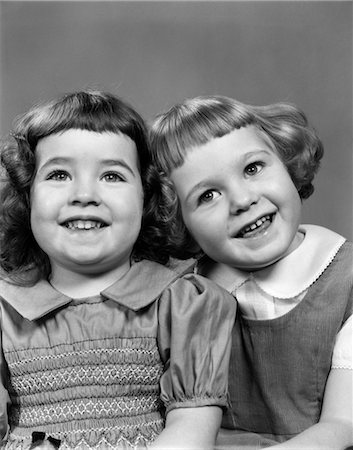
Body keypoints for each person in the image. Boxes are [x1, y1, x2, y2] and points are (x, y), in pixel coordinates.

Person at [0, 90, 236, 450]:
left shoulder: (180, 303)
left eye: (111, 176)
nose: (84, 194)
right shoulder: (7, 309)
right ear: (27, 195)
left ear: (147, 197)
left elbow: (193, 426)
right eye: (59, 174)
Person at [149, 95, 353, 449]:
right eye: (208, 195)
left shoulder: (345, 283)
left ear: (287, 164)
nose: (243, 200)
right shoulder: (184, 297)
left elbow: (341, 426)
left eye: (253, 168)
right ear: (179, 223)